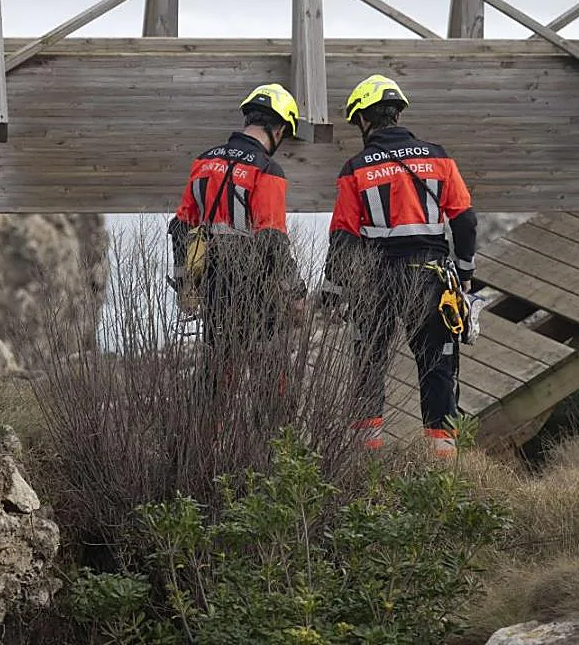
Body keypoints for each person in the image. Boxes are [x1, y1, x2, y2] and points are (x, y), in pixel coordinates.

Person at [321, 74, 477, 458]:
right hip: (431, 276)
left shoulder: (354, 168)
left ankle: (364, 459)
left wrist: (335, 289)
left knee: (368, 365)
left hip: (374, 280)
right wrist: (466, 273)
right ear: (398, 113)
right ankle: (441, 464)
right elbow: (466, 220)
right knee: (437, 366)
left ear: (363, 119)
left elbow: (343, 236)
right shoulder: (438, 156)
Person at [167, 83, 308, 405]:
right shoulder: (267, 169)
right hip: (256, 290)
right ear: (280, 128)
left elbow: (180, 228)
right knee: (273, 382)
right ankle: (274, 450)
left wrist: (185, 285)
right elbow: (272, 238)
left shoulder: (204, 162)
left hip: (214, 288)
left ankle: (203, 447)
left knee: (215, 378)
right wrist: (296, 293)